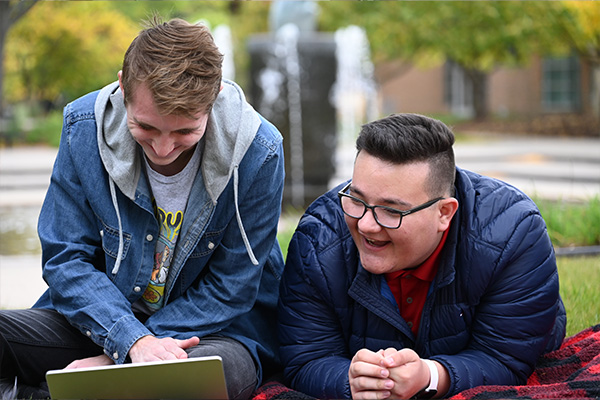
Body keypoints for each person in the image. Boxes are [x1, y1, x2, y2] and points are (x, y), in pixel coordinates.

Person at [0, 17, 285, 400]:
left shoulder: (260, 151)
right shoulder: (83, 128)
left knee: (185, 383)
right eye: (146, 128)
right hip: (97, 322)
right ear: (123, 86)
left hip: (212, 336)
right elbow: (65, 259)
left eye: (185, 132)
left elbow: (232, 288)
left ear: (214, 95)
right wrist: (128, 341)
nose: (164, 149)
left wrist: (125, 354)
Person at [277, 113, 566, 399]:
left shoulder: (513, 235)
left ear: (444, 213)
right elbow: (305, 359)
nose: (365, 224)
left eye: (391, 210)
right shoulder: (319, 238)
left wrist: (431, 376)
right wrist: (350, 382)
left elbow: (505, 357)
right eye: (357, 199)